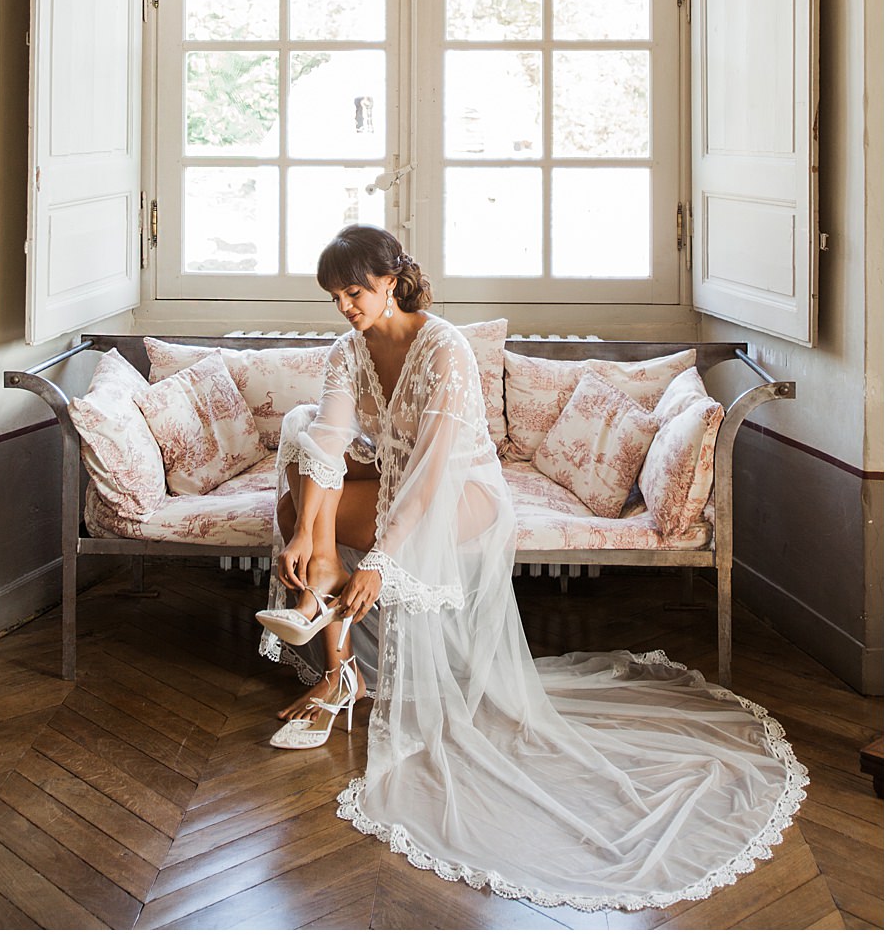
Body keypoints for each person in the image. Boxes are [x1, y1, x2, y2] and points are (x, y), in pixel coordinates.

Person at [257, 225, 807, 912]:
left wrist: (386, 560)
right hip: (397, 483)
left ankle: (331, 641)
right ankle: (339, 663)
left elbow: (430, 474)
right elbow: (331, 439)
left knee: (351, 532)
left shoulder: (444, 348)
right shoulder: (346, 349)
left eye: (356, 292)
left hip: (462, 494)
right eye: (335, 296)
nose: (345, 307)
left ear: (392, 281)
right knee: (298, 498)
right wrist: (305, 534)